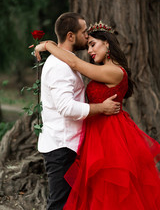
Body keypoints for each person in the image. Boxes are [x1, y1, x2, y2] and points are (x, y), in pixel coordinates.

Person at [35, 20, 160, 210]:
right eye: (88, 46)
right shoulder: (103, 69)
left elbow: (75, 62)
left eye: (93, 44)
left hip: (111, 137)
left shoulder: (114, 71)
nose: (90, 51)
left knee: (110, 193)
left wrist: (48, 45)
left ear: (107, 43)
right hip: (94, 135)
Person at [34, 13, 120, 210]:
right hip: (61, 147)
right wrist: (101, 108)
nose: (87, 36)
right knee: (60, 205)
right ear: (71, 36)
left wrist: (47, 45)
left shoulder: (67, 62)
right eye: (84, 32)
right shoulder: (60, 66)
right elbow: (66, 107)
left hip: (70, 145)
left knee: (72, 204)